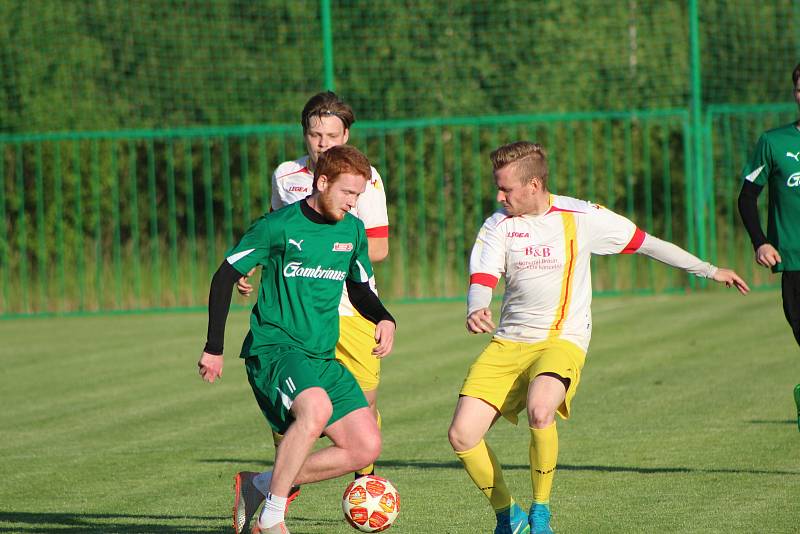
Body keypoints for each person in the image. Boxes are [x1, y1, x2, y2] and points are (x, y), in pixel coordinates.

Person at [448, 141, 749, 534]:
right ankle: (509, 516)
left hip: (562, 339)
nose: (499, 195)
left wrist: (708, 270)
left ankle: (540, 514)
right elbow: (483, 276)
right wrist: (477, 306)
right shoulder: (497, 224)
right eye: (498, 187)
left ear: (534, 184)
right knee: (461, 435)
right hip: (509, 342)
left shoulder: (582, 216)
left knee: (542, 409)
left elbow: (648, 244)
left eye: (506, 188)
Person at [198, 145, 396, 534]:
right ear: (322, 182)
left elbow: (358, 288)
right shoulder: (279, 225)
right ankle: (272, 519)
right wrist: (213, 347)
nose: (353, 203)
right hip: (275, 349)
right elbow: (225, 275)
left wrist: (384, 317)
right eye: (347, 193)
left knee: (366, 446)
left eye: (359, 195)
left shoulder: (352, 230)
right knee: (316, 408)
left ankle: (258, 484)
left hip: (321, 357)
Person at [238, 91, 390, 481]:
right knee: (293, 409)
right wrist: (250, 268)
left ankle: (362, 489)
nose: (323, 143)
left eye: (333, 136)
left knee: (363, 404)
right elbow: (275, 235)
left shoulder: (364, 179)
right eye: (315, 134)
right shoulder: (285, 175)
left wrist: (327, 253)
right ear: (304, 134)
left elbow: (378, 246)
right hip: (296, 311)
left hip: (350, 307)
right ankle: (278, 494)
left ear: (348, 135)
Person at [737, 62, 800, 432]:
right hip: (792, 261)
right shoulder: (773, 142)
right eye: (798, 88)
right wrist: (760, 242)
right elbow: (747, 197)